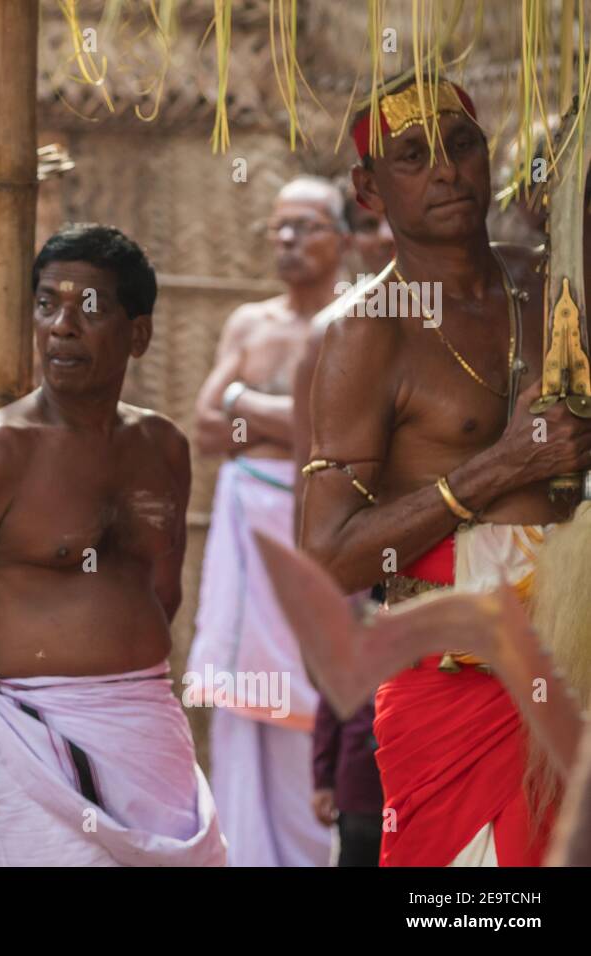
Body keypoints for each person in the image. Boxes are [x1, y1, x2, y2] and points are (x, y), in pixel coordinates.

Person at [300, 77, 591, 866]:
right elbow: (329, 556)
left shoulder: (554, 287)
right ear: (368, 189)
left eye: (462, 145)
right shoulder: (368, 333)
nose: (446, 170)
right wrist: (501, 466)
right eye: (413, 156)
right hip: (452, 685)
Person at [0, 223, 224, 867]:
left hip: (150, 734)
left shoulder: (163, 448)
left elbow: (162, 595)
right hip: (35, 742)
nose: (61, 327)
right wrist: (5, 716)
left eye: (89, 309)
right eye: (46, 305)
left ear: (139, 334)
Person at [185, 176, 348, 867]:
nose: (286, 239)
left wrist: (247, 403)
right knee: (246, 707)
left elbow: (342, 437)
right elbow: (206, 427)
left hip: (324, 531)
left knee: (321, 690)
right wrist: (299, 421)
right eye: (279, 226)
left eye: (304, 226)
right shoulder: (249, 324)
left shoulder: (359, 322)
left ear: (342, 237)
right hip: (249, 533)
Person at [297, 185, 393, 868]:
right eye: (366, 222)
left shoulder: (505, 316)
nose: (384, 234)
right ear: (350, 238)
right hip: (364, 579)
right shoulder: (334, 333)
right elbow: (311, 481)